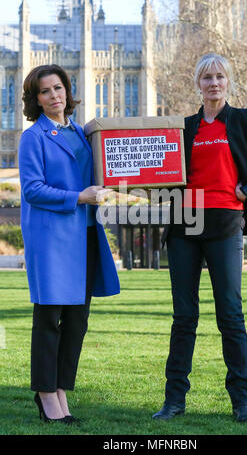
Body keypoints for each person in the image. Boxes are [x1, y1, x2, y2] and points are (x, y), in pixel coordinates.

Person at [152, 53, 247, 423]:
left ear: (227, 81)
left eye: (219, 77)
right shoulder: (183, 127)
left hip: (226, 221)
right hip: (184, 223)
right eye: (206, 78)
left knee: (230, 314)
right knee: (184, 316)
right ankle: (174, 401)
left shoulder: (245, 120)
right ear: (197, 83)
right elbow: (162, 172)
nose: (213, 83)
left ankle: (241, 401)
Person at [19, 64, 120, 424]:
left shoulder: (80, 132)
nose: (54, 96)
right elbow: (32, 189)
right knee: (50, 318)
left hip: (85, 235)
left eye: (58, 88)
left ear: (68, 90)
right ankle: (46, 395)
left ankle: (60, 388)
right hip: (52, 239)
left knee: (77, 322)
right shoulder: (33, 137)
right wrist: (79, 196)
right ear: (37, 99)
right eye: (45, 92)